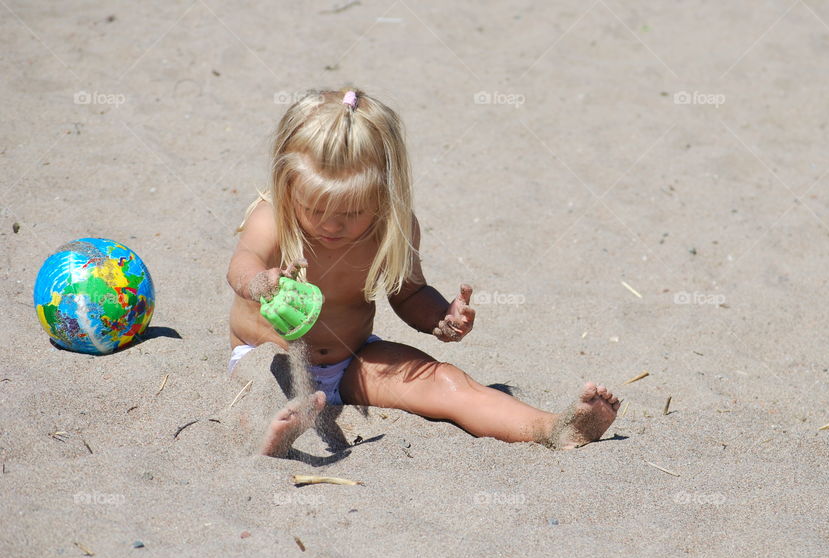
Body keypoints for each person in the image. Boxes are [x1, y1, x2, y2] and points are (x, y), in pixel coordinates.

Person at [226, 88, 620, 456]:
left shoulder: (392, 227)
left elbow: (408, 293)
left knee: (446, 381)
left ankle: (550, 428)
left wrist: (440, 318)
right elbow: (240, 265)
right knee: (262, 389)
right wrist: (258, 282)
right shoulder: (273, 218)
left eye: (351, 214)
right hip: (270, 358)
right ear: (287, 186)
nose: (332, 226)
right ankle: (270, 436)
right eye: (315, 211)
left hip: (350, 362)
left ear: (383, 196)